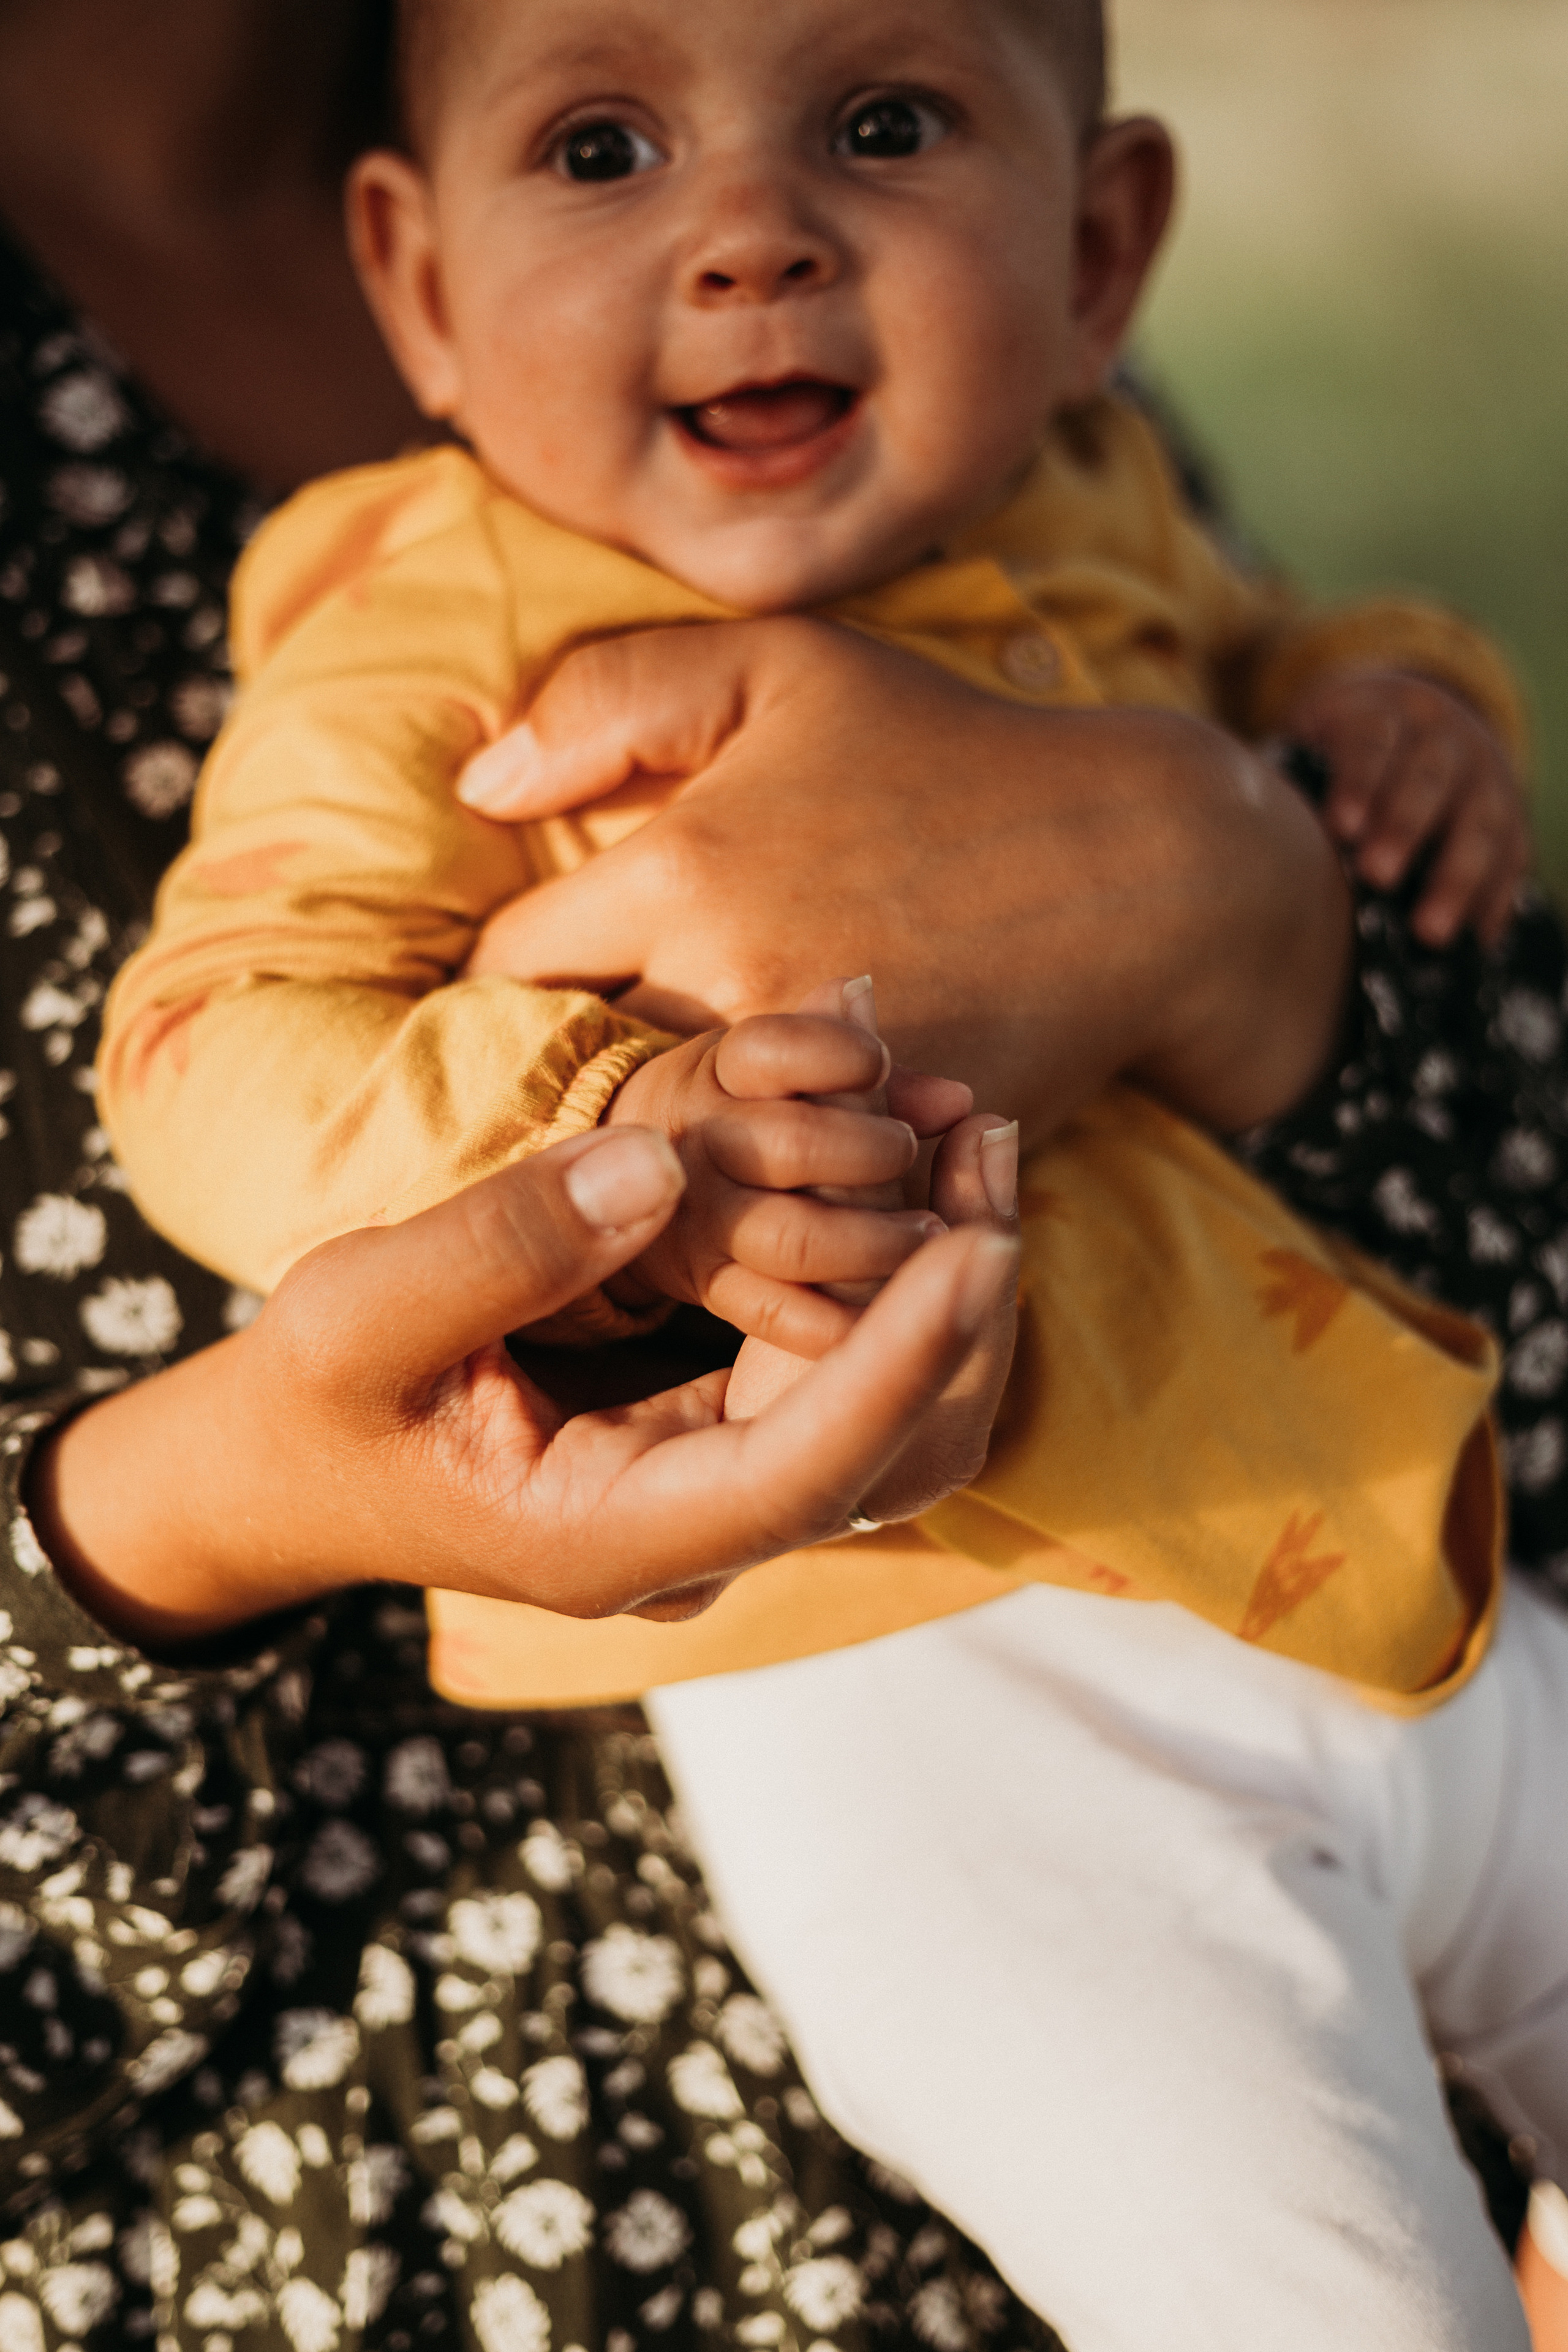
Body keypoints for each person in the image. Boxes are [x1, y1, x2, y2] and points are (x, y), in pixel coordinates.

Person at [1, 3, 1564, 2348]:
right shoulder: (431, 617)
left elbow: (1270, 666)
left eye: (886, 123)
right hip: (925, 1697)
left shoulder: (1071, 463)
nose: (751, 238)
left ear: (1100, 247)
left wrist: (1365, 728)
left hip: (1349, 1531)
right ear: (418, 287)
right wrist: (593, 1144)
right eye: (609, 146)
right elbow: (215, 1045)